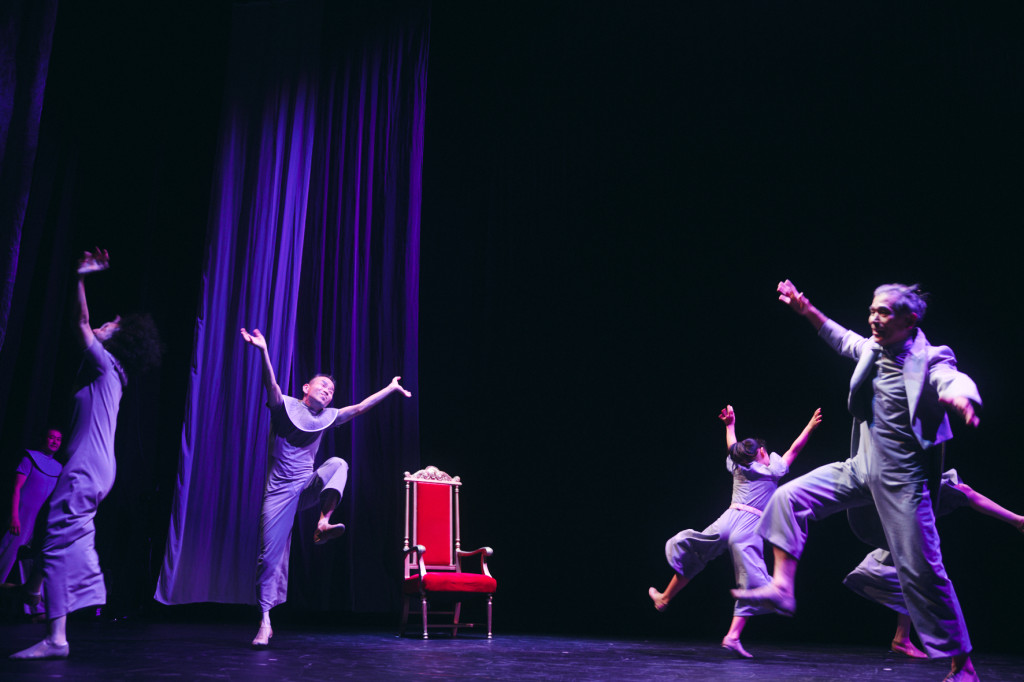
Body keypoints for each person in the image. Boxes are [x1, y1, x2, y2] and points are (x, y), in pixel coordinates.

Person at [731, 280, 981, 682]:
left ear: (908, 319)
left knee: (924, 573)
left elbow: (952, 378)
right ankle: (782, 587)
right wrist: (805, 308)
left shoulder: (931, 358)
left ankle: (963, 665)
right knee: (788, 498)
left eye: (883, 312)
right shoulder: (871, 348)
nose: (873, 318)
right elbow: (840, 336)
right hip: (861, 467)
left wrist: (961, 399)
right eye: (872, 310)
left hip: (905, 483)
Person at [10, 248, 162, 660]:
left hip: (85, 467)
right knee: (62, 530)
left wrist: (79, 276)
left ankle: (56, 636)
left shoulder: (103, 364)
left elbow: (79, 321)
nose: (103, 324)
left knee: (62, 535)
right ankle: (34, 589)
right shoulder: (109, 372)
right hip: (94, 466)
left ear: (117, 339)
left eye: (110, 324)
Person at [239, 327, 411, 648]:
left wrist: (389, 388)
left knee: (339, 464)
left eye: (332, 390)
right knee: (269, 557)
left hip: (306, 486)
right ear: (307, 387)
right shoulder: (285, 406)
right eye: (323, 385)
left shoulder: (328, 417)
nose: (328, 391)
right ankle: (265, 620)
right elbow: (271, 385)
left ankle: (323, 521)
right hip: (279, 494)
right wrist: (262, 350)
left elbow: (358, 408)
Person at [648, 404, 822, 658]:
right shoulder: (771, 471)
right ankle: (732, 635)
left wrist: (730, 425)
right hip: (749, 528)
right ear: (762, 452)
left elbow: (732, 445)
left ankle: (665, 597)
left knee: (697, 552)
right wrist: (810, 427)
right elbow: (793, 450)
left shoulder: (738, 466)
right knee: (750, 581)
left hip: (727, 520)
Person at [843, 469, 1024, 659]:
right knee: (919, 561)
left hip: (896, 489)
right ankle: (958, 663)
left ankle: (902, 637)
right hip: (892, 489)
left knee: (906, 557)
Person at [0, 428, 63, 595]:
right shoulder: (30, 458)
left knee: (29, 562)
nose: (55, 441)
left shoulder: (58, 468)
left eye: (58, 439)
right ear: (44, 439)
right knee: (6, 555)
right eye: (51, 437)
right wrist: (14, 516)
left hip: (39, 520)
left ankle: (32, 607)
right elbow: (16, 488)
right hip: (21, 516)